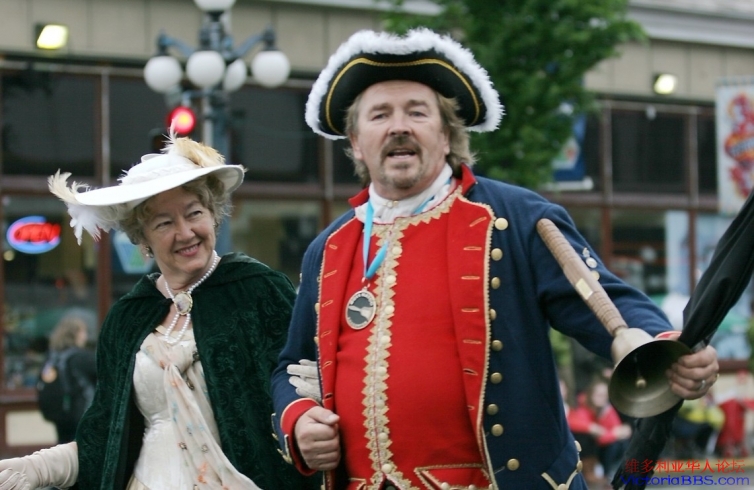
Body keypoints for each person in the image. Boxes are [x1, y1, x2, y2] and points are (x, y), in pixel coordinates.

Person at [270, 28, 720, 489]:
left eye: (417, 112)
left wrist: (666, 347)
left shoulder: (516, 218)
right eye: (380, 114)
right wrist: (298, 420)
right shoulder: (329, 247)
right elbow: (293, 364)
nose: (398, 126)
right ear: (355, 141)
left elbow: (603, 302)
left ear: (447, 134)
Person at [0, 133, 318, 489]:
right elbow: (103, 441)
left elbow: (300, 399)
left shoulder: (258, 291)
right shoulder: (128, 317)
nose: (185, 232)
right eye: (164, 223)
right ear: (142, 238)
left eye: (194, 213)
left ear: (213, 215)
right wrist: (34, 469)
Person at [37, 315, 97, 443]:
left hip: (59, 415)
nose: (85, 336)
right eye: (83, 332)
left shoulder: (52, 357)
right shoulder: (81, 357)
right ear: (75, 334)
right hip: (80, 414)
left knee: (63, 447)